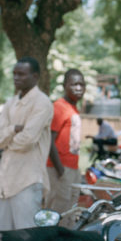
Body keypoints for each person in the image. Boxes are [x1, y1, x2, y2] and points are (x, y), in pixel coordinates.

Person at [0, 57, 53, 231]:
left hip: (27, 181)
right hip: (5, 183)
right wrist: (13, 129)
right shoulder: (10, 103)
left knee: (27, 240)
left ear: (35, 76)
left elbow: (27, 141)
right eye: (14, 74)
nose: (16, 78)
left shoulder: (42, 103)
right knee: (5, 240)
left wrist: (6, 139)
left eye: (21, 74)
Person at [45, 69, 85, 218]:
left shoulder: (73, 108)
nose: (79, 88)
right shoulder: (59, 107)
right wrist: (61, 171)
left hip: (72, 168)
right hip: (59, 169)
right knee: (56, 212)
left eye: (82, 84)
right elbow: (49, 140)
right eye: (74, 84)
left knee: (70, 211)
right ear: (64, 86)